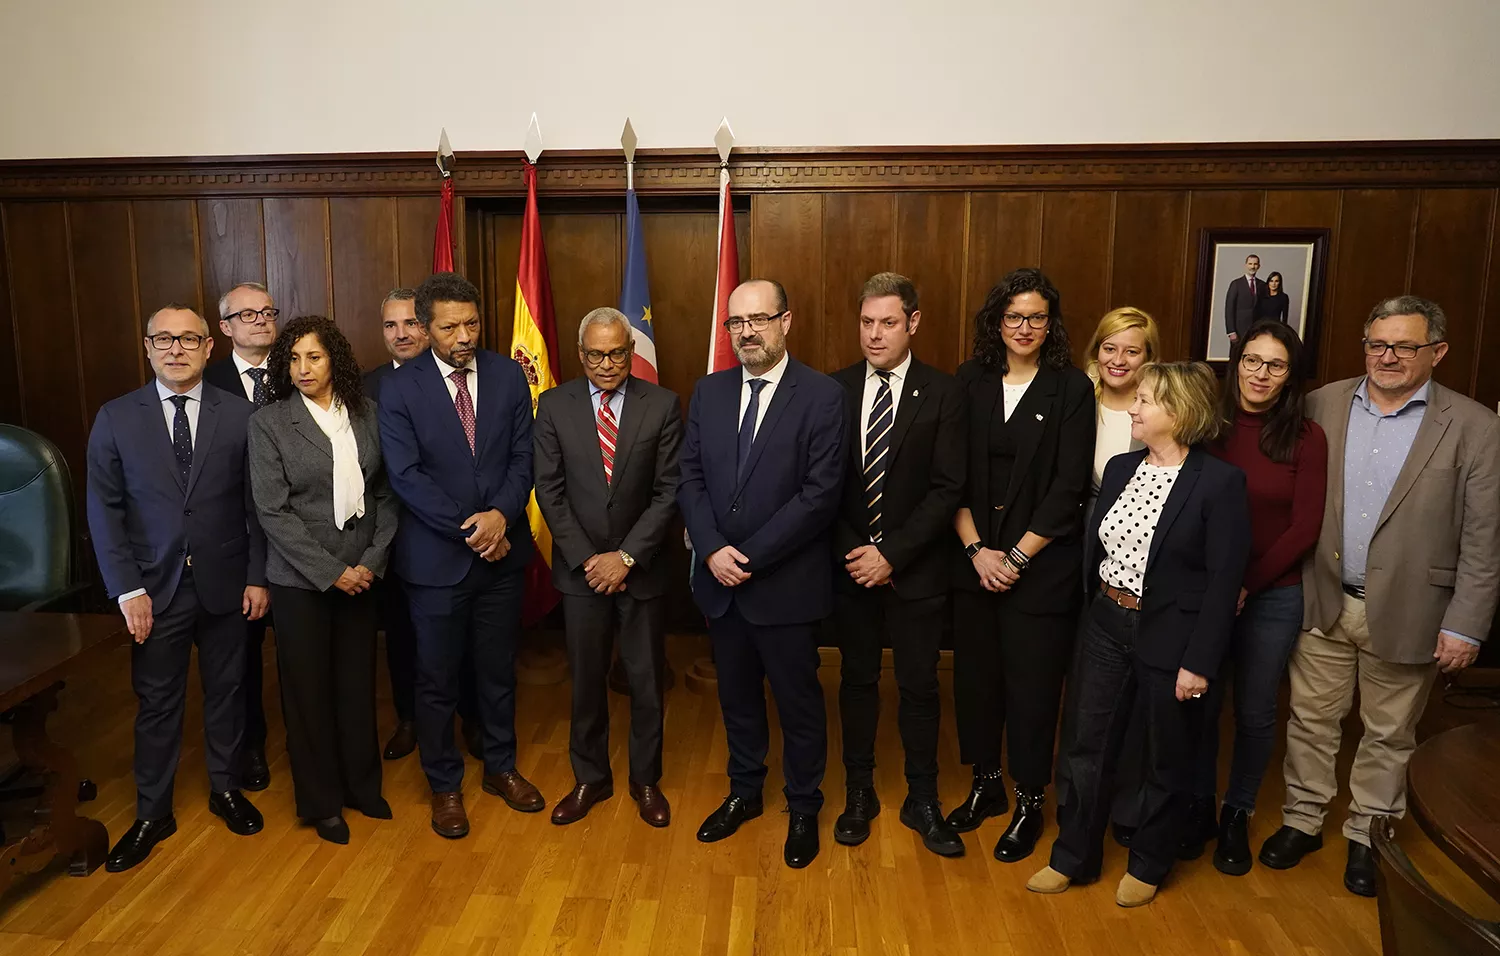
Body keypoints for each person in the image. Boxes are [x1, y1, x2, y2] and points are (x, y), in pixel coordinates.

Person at [1260, 295, 1500, 897]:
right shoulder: (1322, 404)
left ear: (1437, 352)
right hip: (1323, 597)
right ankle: (1303, 819)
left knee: (1389, 732)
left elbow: (1483, 536)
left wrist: (1467, 625)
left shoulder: (1474, 426)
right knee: (1311, 721)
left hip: (1414, 609)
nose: (1387, 356)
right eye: (1376, 344)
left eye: (1404, 346)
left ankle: (1370, 834)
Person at [1029, 361, 1250, 907]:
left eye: (1146, 400)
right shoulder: (1123, 468)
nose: (1133, 407)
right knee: (1085, 746)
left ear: (1178, 412)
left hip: (1173, 634)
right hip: (1105, 621)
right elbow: (1097, 550)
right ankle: (1073, 857)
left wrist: (1199, 661)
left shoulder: (1219, 483)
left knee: (1163, 754)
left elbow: (1225, 583)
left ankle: (1150, 861)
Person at [85, 304, 270, 872]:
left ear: (208, 348)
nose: (176, 349)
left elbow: (257, 507)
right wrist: (126, 591)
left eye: (188, 339)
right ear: (147, 348)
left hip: (226, 583)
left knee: (228, 692)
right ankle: (152, 812)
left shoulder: (239, 416)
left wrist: (258, 575)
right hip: (152, 590)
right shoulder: (116, 417)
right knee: (158, 703)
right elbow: (104, 511)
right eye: (163, 339)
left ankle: (224, 788)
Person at [678, 278, 847, 869]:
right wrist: (712, 548)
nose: (745, 332)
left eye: (758, 319)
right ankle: (744, 793)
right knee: (738, 699)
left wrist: (745, 557)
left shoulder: (823, 396)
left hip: (785, 586)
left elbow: (820, 496)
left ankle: (804, 806)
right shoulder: (709, 391)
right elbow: (690, 479)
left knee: (799, 703)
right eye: (735, 323)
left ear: (786, 321)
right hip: (720, 585)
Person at [377, 271, 545, 839]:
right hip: (436, 562)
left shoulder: (506, 375)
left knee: (497, 670)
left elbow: (523, 457)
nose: (464, 335)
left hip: (502, 557)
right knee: (437, 678)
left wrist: (501, 516)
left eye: (471, 323)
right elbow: (406, 476)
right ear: (426, 329)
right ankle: (444, 784)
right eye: (449, 327)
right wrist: (472, 528)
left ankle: (501, 767)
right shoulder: (400, 389)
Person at [946, 268, 1095, 864]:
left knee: (1033, 691)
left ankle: (1031, 800)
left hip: (1040, 569)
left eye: (1036, 317)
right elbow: (948, 475)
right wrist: (976, 550)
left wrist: (1012, 557)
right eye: (1014, 317)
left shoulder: (1071, 388)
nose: (1025, 327)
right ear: (996, 323)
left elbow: (1067, 490)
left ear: (1050, 323)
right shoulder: (970, 380)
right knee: (977, 684)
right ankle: (986, 785)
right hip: (972, 561)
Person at [1181, 320, 1326, 875]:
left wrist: (1245, 586)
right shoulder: (1206, 425)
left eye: (1276, 365)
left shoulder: (1306, 438)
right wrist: (1217, 589)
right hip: (1202, 591)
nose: (1261, 374)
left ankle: (1237, 812)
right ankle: (1196, 806)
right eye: (1252, 360)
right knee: (1198, 701)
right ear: (1235, 361)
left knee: (1256, 711)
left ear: (1291, 377)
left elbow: (1304, 528)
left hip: (1272, 595)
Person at [830, 273, 966, 858]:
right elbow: (822, 489)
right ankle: (859, 791)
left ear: (913, 322)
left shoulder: (944, 392)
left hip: (916, 572)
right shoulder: (832, 391)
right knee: (856, 682)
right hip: (851, 569)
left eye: (888, 322)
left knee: (918, 688)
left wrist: (892, 555)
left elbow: (947, 487)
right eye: (866, 322)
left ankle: (923, 798)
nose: (875, 334)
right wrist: (858, 554)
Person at [249, 315, 398, 844]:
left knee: (357, 687)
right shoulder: (268, 424)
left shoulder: (368, 415)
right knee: (308, 694)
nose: (303, 368)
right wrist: (332, 572)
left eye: (313, 356)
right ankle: (322, 802)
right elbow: (273, 512)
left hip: (362, 574)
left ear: (335, 358)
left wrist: (371, 563)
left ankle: (363, 787)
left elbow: (385, 495)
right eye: (292, 358)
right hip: (301, 582)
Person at [534, 307, 682, 828]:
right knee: (587, 682)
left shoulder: (662, 405)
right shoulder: (552, 406)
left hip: (640, 569)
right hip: (581, 573)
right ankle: (590, 777)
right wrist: (589, 559)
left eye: (617, 353)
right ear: (581, 355)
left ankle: (646, 780)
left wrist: (625, 558)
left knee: (645, 683)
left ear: (631, 352)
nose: (606, 363)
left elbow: (669, 493)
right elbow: (548, 492)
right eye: (595, 354)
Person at [203, 280, 280, 792]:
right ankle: (250, 744)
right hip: (238, 541)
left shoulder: (304, 371)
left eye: (267, 312)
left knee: (303, 652)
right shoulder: (204, 382)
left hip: (298, 536)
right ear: (225, 327)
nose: (260, 321)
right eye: (247, 315)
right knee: (243, 655)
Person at [362, 288, 429, 762]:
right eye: (391, 325)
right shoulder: (366, 386)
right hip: (392, 533)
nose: (401, 333)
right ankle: (410, 718)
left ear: (427, 325)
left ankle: (468, 718)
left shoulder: (459, 380)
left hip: (451, 531)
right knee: (402, 634)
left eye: (410, 323)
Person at [1084, 307, 1159, 520]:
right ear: (1096, 352)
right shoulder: (1077, 403)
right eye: (1109, 349)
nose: (1118, 361)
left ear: (1149, 357)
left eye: (1132, 352)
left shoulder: (1163, 412)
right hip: (1075, 538)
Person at [1224, 254, 1265, 346]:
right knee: (1236, 356)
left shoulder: (1262, 285)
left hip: (1256, 330)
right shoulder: (1236, 284)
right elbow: (1229, 308)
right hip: (1239, 330)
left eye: (1255, 264)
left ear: (1259, 266)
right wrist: (1231, 331)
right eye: (1250, 264)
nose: (1252, 266)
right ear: (1246, 265)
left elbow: (1264, 309)